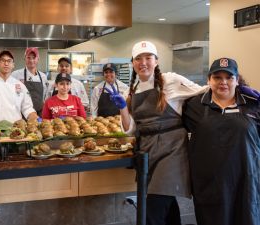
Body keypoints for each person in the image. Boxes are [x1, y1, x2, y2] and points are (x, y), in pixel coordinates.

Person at [105, 41, 208, 225]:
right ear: (133, 63)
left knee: (153, 210)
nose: (143, 62)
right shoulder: (133, 89)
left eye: (148, 58)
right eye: (138, 59)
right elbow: (131, 129)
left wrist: (233, 89)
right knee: (167, 206)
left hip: (172, 151)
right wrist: (122, 107)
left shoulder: (171, 80)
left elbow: (202, 91)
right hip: (148, 152)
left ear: (156, 61)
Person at [182, 58, 260, 225]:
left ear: (237, 80)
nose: (223, 82)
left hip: (246, 182)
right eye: (217, 77)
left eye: (229, 77)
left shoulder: (253, 105)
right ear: (209, 80)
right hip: (210, 184)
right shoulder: (193, 106)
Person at [12, 47, 48, 116]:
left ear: (38, 59)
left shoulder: (43, 77)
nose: (31, 60)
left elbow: (44, 96)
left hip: (39, 114)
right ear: (24, 59)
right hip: (21, 114)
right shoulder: (16, 75)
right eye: (28, 57)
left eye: (34, 58)